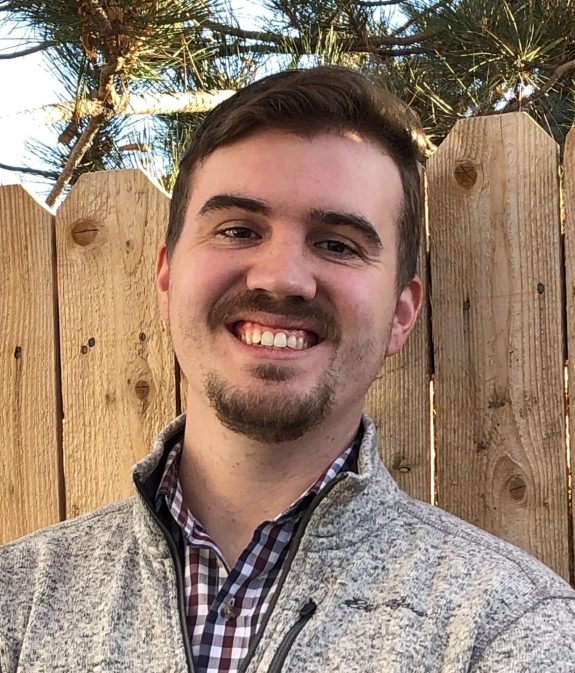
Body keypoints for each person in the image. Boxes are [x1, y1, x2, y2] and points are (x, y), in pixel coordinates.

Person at [1, 66, 574, 673]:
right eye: (238, 230)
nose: (281, 278)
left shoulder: (513, 629)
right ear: (167, 280)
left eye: (337, 244)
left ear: (401, 315)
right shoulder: (17, 603)